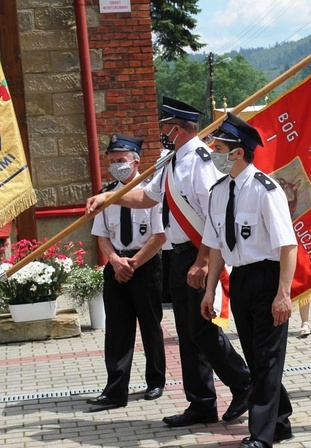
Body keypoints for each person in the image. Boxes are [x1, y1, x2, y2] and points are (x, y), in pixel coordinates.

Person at [86, 98, 251, 428]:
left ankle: (244, 383)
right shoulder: (170, 161)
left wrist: (204, 261)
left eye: (164, 127)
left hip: (200, 252)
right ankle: (201, 402)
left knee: (203, 330)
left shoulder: (201, 162)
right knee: (189, 333)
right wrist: (109, 197)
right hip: (178, 255)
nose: (160, 133)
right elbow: (147, 197)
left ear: (176, 129)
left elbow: (213, 216)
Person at [200, 113, 297, 448]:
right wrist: (211, 290)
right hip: (240, 280)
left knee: (268, 359)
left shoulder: (265, 191)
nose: (214, 153)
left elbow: (288, 246)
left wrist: (283, 293)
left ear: (238, 153)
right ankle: (280, 418)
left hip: (269, 278)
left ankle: (261, 439)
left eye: (220, 148)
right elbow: (214, 245)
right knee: (257, 358)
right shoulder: (218, 191)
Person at [87, 134, 167, 410]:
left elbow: (159, 236)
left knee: (150, 326)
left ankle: (155, 380)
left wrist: (133, 263)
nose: (115, 166)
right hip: (116, 266)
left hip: (144, 265)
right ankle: (115, 390)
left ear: (135, 162)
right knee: (118, 330)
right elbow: (101, 235)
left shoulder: (150, 194)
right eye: (111, 161)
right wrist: (114, 261)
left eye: (120, 160)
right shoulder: (105, 194)